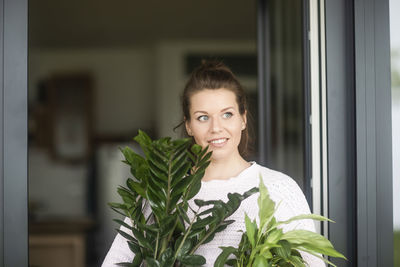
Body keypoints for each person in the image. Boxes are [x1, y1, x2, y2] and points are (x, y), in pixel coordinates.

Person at [102, 61, 325, 266]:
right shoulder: (164, 193)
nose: (216, 128)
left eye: (227, 114)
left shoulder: (279, 188)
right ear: (188, 125)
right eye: (202, 117)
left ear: (243, 118)